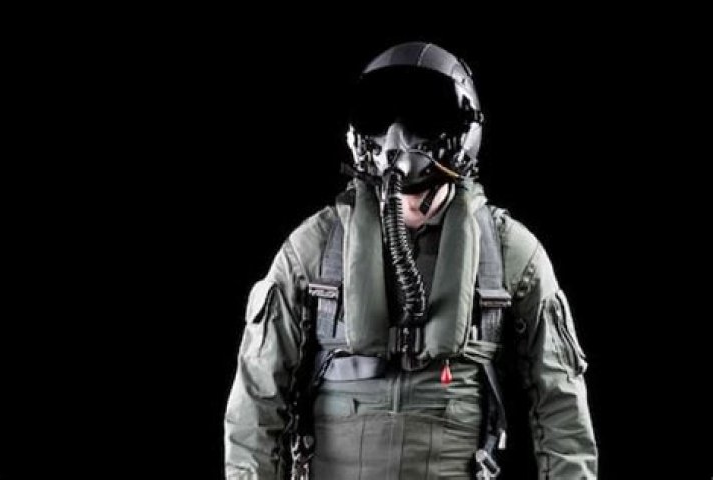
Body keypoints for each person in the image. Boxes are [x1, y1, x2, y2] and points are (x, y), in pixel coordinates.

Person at [224, 42, 597, 479]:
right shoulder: (315, 248)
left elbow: (561, 408)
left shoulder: (508, 252)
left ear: (461, 134)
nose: (397, 140)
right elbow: (256, 402)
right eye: (381, 117)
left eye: (424, 117)